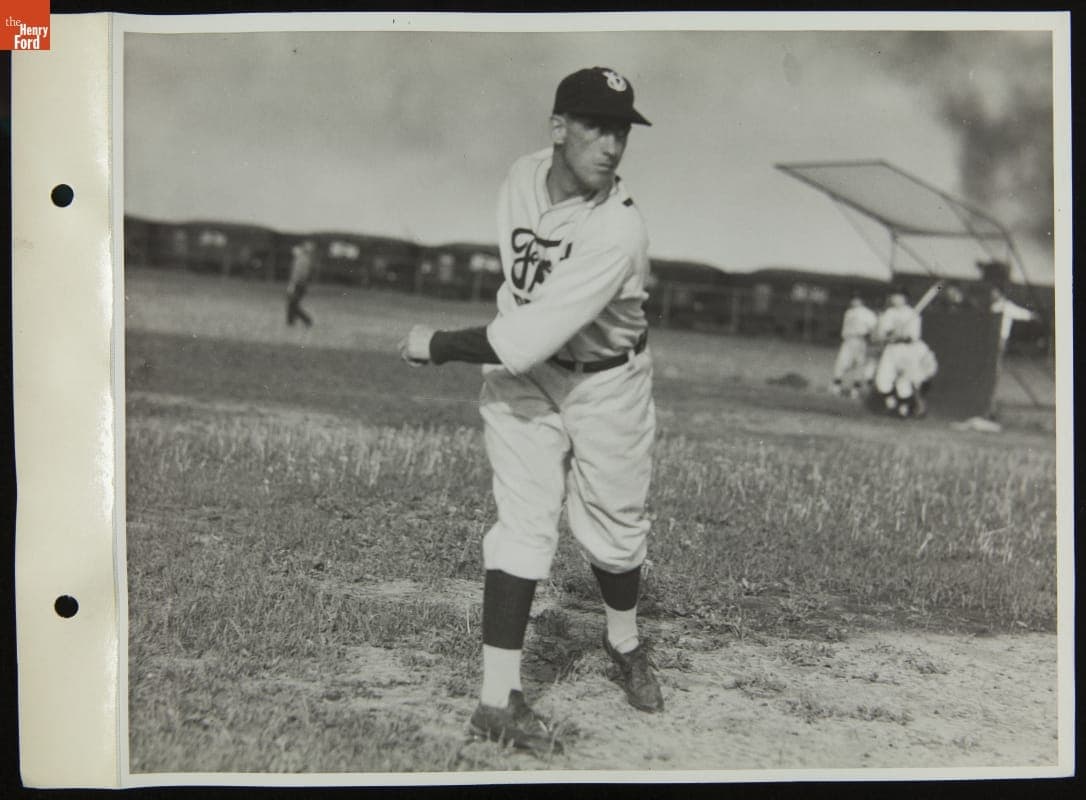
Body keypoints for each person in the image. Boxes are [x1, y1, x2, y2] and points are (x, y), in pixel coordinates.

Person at [398, 66, 660, 755]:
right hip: (529, 379)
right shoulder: (520, 176)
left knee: (613, 530)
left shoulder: (618, 231)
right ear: (559, 128)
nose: (612, 145)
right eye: (598, 126)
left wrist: (438, 344)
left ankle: (624, 640)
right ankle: (495, 701)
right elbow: (522, 310)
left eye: (622, 131)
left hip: (607, 381)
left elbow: (521, 336)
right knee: (523, 525)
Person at [871, 288, 937, 418]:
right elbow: (882, 334)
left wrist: (901, 335)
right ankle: (891, 403)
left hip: (908, 350)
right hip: (891, 349)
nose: (896, 299)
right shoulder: (888, 313)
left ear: (905, 298)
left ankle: (903, 409)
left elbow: (913, 337)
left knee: (905, 380)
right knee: (883, 379)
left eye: (899, 296)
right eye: (894, 296)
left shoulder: (913, 314)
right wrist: (890, 335)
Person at [830, 294, 877, 398]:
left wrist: (869, 338)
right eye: (853, 299)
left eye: (857, 299)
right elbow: (845, 329)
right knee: (841, 363)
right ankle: (836, 387)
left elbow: (874, 328)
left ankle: (855, 390)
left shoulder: (867, 313)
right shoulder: (849, 312)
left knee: (859, 365)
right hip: (848, 340)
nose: (855, 301)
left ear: (862, 301)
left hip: (861, 340)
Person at [286, 240, 316, 327]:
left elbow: (297, 274)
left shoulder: (301, 260)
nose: (293, 251)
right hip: (301, 284)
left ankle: (307, 320)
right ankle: (290, 322)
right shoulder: (304, 259)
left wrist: (292, 285)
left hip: (298, 284)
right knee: (292, 304)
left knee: (293, 304)